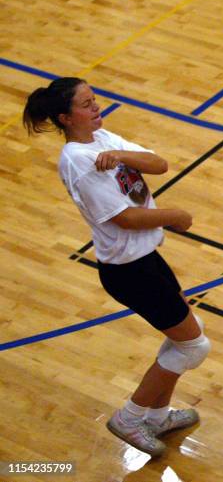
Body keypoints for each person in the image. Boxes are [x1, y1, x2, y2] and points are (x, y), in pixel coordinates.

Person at [23, 78, 211, 457]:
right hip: (129, 271)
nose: (96, 108)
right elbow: (124, 218)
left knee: (186, 338)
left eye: (95, 100)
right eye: (87, 104)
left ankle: (157, 417)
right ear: (65, 117)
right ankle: (130, 416)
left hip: (146, 259)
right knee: (193, 345)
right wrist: (173, 216)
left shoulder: (105, 139)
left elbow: (159, 163)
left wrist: (123, 156)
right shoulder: (78, 161)